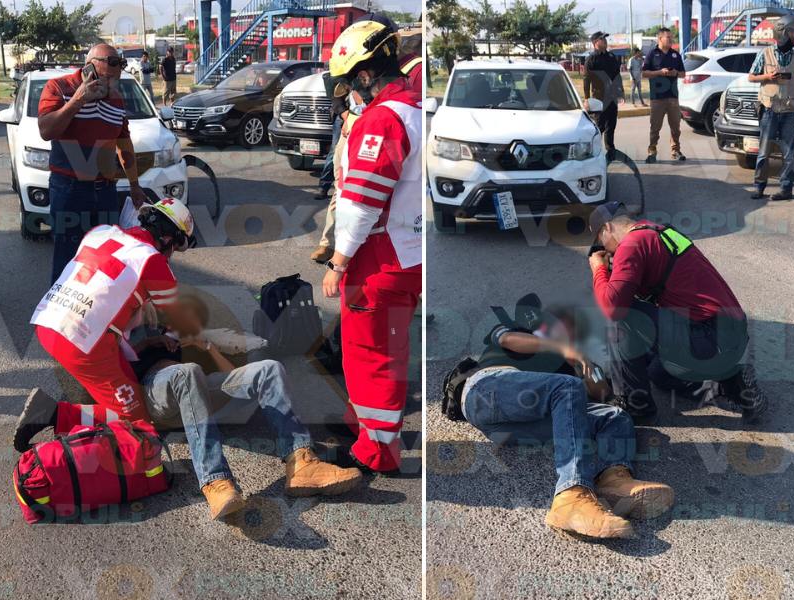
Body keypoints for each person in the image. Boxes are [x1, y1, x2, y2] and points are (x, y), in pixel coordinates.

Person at [17, 296, 362, 520]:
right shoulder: (115, 330)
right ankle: (215, 481)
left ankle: (301, 461)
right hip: (148, 392)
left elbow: (227, 368)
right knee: (186, 373)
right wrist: (149, 344)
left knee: (268, 369)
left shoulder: (172, 328)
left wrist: (202, 344)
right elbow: (111, 380)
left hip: (191, 386)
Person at [454, 299, 674, 539]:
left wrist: (587, 368)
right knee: (568, 387)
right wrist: (562, 348)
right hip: (486, 391)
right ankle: (571, 494)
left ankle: (614, 481)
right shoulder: (516, 330)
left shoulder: (567, 367)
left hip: (515, 427)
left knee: (615, 416)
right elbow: (507, 340)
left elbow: (601, 396)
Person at [321, 20, 423, 473]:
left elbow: (362, 202)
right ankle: (364, 424)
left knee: (371, 353)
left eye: (349, 84)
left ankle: (377, 449)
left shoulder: (382, 119)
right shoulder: (416, 108)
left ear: (365, 75)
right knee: (387, 346)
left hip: (380, 256)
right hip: (408, 251)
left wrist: (338, 263)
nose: (348, 94)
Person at [20, 197, 200, 447]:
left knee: (125, 390)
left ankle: (53, 413)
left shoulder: (100, 232)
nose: (172, 254)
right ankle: (55, 418)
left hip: (48, 321)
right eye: (176, 248)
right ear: (169, 239)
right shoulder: (153, 262)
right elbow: (177, 318)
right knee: (138, 424)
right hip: (83, 343)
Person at [587, 201, 768, 424]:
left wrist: (599, 269)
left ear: (607, 227)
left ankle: (635, 406)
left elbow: (613, 307)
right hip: (729, 335)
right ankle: (736, 387)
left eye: (600, 242)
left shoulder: (631, 244)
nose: (604, 250)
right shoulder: (657, 232)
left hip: (709, 337)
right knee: (658, 374)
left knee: (624, 316)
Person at [38, 43, 148, 282]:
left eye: (115, 80)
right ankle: (60, 306)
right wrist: (78, 100)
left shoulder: (116, 100)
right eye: (106, 78)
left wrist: (134, 184)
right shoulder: (58, 87)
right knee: (67, 260)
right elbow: (46, 131)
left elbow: (124, 144)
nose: (110, 85)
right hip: (69, 191)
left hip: (106, 191)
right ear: (89, 68)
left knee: (105, 260)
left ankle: (96, 306)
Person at [748, 14, 794, 202]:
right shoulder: (765, 54)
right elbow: (751, 77)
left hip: (789, 111)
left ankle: (786, 189)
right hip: (769, 110)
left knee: (789, 154)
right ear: (784, 33)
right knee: (764, 152)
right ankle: (759, 187)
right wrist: (767, 77)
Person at [310, 90, 364, 264]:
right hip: (349, 129)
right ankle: (327, 244)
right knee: (340, 189)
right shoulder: (351, 79)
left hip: (372, 134)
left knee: (365, 194)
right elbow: (335, 90)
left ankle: (355, 249)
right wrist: (345, 114)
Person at [642, 28, 687, 163]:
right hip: (657, 98)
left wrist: (675, 73)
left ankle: (675, 150)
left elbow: (683, 74)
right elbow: (644, 73)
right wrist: (659, 72)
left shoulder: (675, 55)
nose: (671, 39)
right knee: (655, 127)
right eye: (668, 37)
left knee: (675, 127)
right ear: (660, 39)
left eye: (671, 37)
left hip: (673, 97)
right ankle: (652, 151)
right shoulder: (652, 54)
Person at [583, 32, 623, 162]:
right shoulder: (591, 59)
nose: (605, 41)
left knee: (611, 125)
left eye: (605, 39)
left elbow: (617, 75)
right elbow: (586, 79)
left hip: (612, 97)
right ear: (595, 42)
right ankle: (594, 151)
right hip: (599, 97)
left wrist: (621, 92)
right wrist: (586, 99)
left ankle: (610, 150)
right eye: (602, 39)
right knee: (599, 126)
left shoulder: (611, 57)